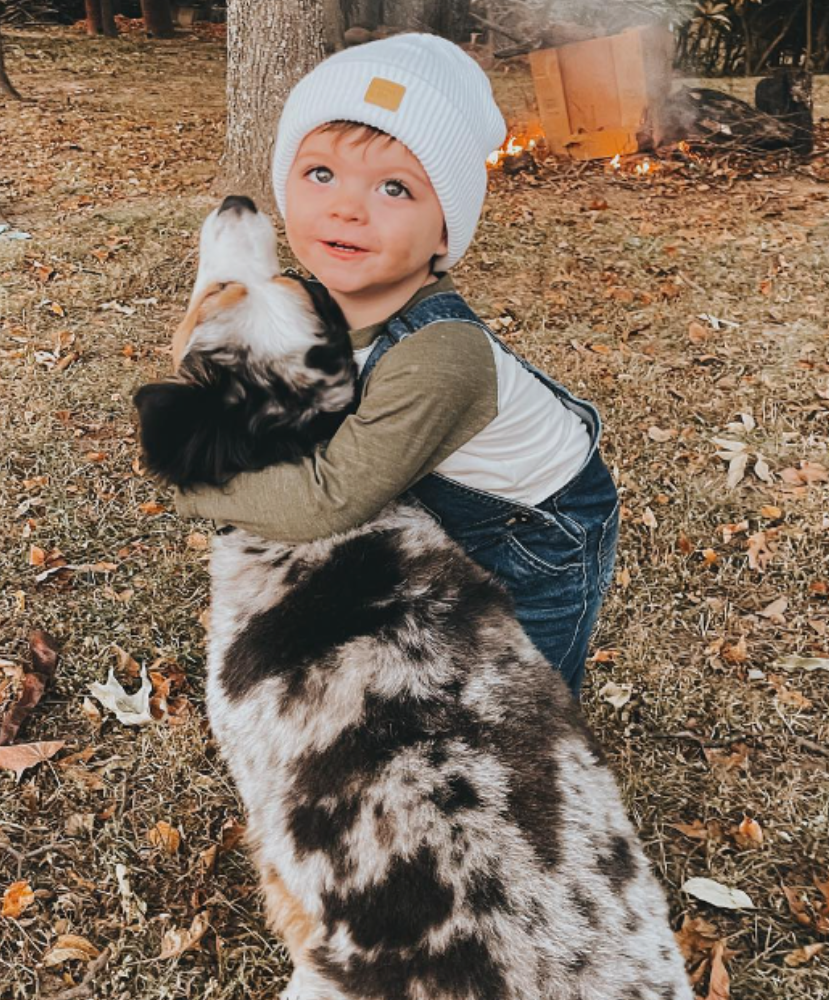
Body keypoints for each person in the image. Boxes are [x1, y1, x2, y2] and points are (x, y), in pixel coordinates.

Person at [173, 33, 619, 697]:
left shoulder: (441, 358)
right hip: (443, 494)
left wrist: (195, 477)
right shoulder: (314, 297)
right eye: (320, 174)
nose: (347, 206)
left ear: (445, 232)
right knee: (432, 664)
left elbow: (328, 501)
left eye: (393, 188)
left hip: (536, 533)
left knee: (522, 701)